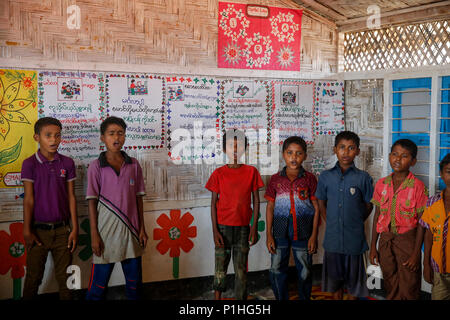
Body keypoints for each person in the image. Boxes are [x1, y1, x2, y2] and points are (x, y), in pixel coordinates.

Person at [85, 116, 148, 300]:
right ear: (103, 137)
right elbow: (91, 202)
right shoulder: (96, 167)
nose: (116, 138)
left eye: (120, 133)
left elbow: (138, 199)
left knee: (134, 286)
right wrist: (94, 235)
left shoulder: (133, 164)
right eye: (111, 133)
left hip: (132, 233)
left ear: (125, 136)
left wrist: (142, 229)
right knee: (97, 288)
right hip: (105, 235)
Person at [21, 117, 78, 300]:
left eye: (57, 135)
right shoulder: (30, 164)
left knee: (67, 279)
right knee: (33, 278)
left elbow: (71, 197)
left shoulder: (67, 163)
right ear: (37, 137)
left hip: (63, 230)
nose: (54, 140)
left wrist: (75, 228)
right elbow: (29, 199)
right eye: (48, 136)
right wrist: (27, 230)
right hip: (38, 232)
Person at [205, 129, 264, 300]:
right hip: (223, 229)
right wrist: (215, 231)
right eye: (231, 146)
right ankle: (217, 299)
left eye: (239, 146)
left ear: (246, 148)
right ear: (224, 149)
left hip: (243, 229)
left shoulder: (251, 172)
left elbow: (256, 200)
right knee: (220, 268)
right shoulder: (218, 174)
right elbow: (213, 203)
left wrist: (253, 228)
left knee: (241, 270)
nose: (235, 150)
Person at [316, 131, 374, 300]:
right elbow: (321, 202)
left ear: (357, 151)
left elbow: (369, 204)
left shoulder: (363, 178)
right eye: (342, 147)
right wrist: (329, 220)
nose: (346, 152)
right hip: (333, 240)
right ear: (335, 150)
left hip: (354, 241)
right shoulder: (326, 177)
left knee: (355, 285)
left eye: (351, 148)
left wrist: (356, 220)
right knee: (334, 284)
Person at [370, 138, 428, 300]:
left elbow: (422, 224)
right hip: (385, 241)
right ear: (389, 156)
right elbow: (377, 216)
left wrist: (417, 253)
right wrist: (373, 246)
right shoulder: (381, 184)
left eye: (404, 156)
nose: (398, 159)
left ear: (413, 161)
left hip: (408, 242)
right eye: (395, 154)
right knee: (390, 280)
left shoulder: (418, 186)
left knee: (409, 282)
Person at [264, 136, 320, 300]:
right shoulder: (275, 179)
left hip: (303, 231)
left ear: (305, 156)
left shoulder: (309, 179)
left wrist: (314, 236)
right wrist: (269, 235)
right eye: (289, 153)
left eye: (298, 153)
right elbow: (270, 207)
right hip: (279, 231)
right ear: (283, 155)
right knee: (276, 268)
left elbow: (316, 208)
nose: (293, 157)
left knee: (305, 269)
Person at [420, 153, 450, 300]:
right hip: (439, 271)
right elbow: (428, 234)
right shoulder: (432, 202)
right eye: (449, 171)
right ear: (441, 174)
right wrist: (426, 264)